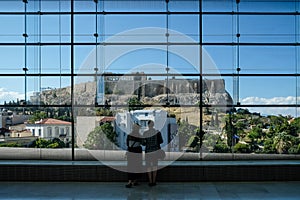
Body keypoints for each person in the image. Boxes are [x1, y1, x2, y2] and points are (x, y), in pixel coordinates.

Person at [143, 120, 163, 186]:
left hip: (148, 152)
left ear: (148, 125)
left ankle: (150, 181)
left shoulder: (145, 133)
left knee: (148, 166)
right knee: (155, 166)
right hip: (155, 152)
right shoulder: (157, 132)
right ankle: (154, 181)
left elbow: (143, 143)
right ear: (153, 125)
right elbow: (161, 141)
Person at [125, 122, 143, 188]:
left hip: (131, 152)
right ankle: (135, 181)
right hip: (137, 152)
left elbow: (127, 144)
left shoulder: (129, 135)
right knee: (137, 166)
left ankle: (130, 181)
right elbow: (143, 143)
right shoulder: (139, 136)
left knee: (130, 167)